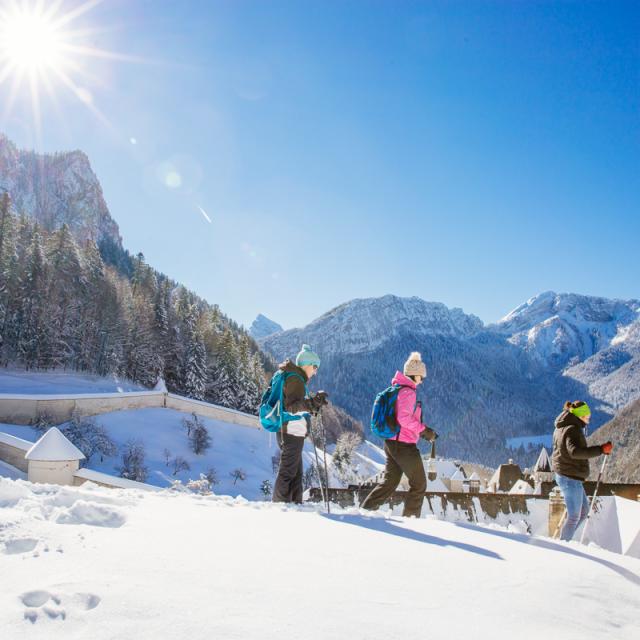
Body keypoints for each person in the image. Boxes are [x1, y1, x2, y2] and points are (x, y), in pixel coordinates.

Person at [361, 352, 436, 517]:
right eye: (421, 377)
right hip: (404, 445)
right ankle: (411, 520)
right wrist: (424, 431)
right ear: (415, 375)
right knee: (419, 484)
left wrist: (423, 430)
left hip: (391, 443)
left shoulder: (397, 388)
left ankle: (363, 512)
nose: (422, 380)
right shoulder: (408, 392)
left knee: (389, 483)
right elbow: (404, 418)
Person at [272, 344, 328, 504]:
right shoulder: (295, 379)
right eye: (315, 367)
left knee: (296, 474)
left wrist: (313, 404)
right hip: (291, 431)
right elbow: (291, 407)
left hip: (290, 431)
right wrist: (311, 403)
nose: (315, 371)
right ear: (307, 365)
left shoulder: (295, 378)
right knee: (288, 472)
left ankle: (295, 505)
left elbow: (297, 405)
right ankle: (279, 507)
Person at [551, 400, 613, 542]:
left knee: (583, 512)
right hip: (569, 477)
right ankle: (563, 545)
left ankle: (565, 539)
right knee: (574, 516)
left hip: (570, 475)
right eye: (587, 417)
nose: (588, 420)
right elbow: (575, 452)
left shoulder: (563, 425)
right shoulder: (572, 429)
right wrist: (600, 449)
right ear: (580, 415)